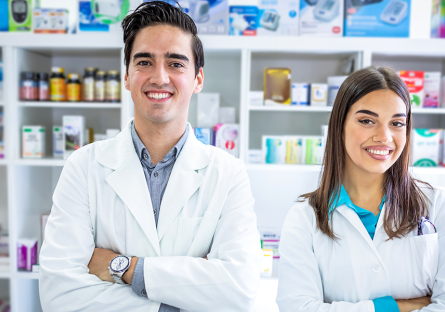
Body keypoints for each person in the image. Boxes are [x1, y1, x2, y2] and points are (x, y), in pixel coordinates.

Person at [39, 2, 261, 311]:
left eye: (176, 63)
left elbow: (242, 290)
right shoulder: (84, 166)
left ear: (197, 79)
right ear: (127, 76)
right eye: (144, 62)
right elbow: (59, 295)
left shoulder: (228, 173)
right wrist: (179, 301)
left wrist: (124, 267)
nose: (159, 77)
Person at [277, 67, 444, 312]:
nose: (384, 137)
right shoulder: (305, 217)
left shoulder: (436, 204)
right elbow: (297, 308)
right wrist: (391, 307)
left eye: (397, 123)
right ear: (339, 124)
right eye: (367, 121)